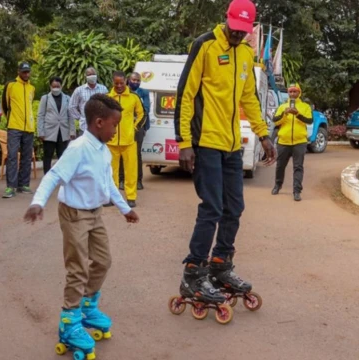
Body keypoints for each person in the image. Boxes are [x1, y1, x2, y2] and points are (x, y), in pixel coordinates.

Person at [174, 0, 276, 304]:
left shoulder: (245, 54)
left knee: (235, 208)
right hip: (205, 143)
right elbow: (186, 93)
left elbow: (250, 99)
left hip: (232, 146)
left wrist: (263, 134)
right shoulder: (204, 45)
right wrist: (183, 143)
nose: (237, 35)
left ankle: (220, 265)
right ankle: (193, 273)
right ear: (226, 20)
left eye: (243, 32)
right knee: (212, 208)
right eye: (234, 29)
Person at [24, 94, 139, 359]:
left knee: (102, 261)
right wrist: (38, 202)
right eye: (114, 125)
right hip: (74, 214)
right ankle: (69, 322)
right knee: (77, 269)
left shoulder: (103, 150)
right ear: (99, 122)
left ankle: (87, 306)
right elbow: (54, 175)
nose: (116, 130)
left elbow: (109, 184)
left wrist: (125, 209)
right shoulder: (78, 149)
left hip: (95, 214)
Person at [106, 71, 145, 208]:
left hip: (129, 141)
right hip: (111, 141)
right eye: (116, 83)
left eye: (121, 83)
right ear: (113, 82)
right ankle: (112, 197)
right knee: (111, 171)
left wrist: (134, 129)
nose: (119, 86)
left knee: (130, 170)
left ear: (126, 82)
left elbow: (142, 114)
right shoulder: (108, 98)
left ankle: (131, 197)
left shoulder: (134, 97)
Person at [271, 83, 313, 202]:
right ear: (288, 93)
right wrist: (285, 114)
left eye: (295, 91)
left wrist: (297, 114)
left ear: (299, 92)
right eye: (290, 91)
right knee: (280, 166)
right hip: (283, 141)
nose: (293, 94)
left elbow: (309, 121)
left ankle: (297, 191)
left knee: (298, 167)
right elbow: (275, 121)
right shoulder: (282, 106)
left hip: (299, 142)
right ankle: (277, 185)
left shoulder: (305, 107)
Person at [2, 62, 36, 198]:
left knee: (27, 157)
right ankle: (11, 186)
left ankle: (24, 184)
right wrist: (12, 119)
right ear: (18, 72)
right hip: (14, 126)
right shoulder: (10, 85)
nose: (26, 74)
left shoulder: (32, 88)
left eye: (28, 72)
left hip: (29, 127)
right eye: (24, 72)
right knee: (12, 156)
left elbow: (30, 105)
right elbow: (5, 105)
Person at [119, 72, 151, 191]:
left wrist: (135, 122)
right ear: (128, 80)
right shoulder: (122, 92)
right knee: (122, 153)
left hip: (138, 127)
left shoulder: (144, 93)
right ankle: (122, 180)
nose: (136, 82)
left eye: (138, 80)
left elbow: (145, 110)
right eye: (134, 80)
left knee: (136, 154)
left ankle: (138, 180)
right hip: (123, 127)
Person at [37, 76, 76, 174]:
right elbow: (40, 115)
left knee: (62, 156)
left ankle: (62, 176)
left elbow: (70, 116)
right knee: (48, 155)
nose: (56, 88)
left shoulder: (67, 98)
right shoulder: (45, 98)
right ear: (50, 86)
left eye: (58, 86)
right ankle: (47, 176)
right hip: (49, 132)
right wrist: (40, 132)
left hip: (63, 132)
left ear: (61, 86)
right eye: (54, 86)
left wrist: (72, 131)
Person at [69, 67, 109, 135]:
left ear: (96, 75)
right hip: (84, 127)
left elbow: (108, 105)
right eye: (89, 74)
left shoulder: (103, 89)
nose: (92, 76)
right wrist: (80, 117)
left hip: (100, 127)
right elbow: (71, 106)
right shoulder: (79, 90)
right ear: (86, 76)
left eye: (93, 74)